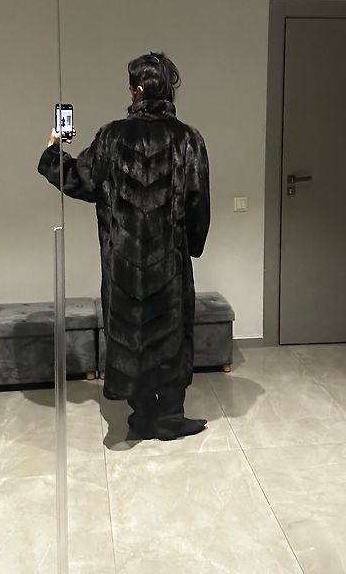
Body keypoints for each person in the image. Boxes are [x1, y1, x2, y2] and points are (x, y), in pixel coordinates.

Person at [38, 52, 211, 440]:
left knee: (132, 334)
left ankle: (142, 415)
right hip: (169, 264)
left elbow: (80, 181)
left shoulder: (112, 137)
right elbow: (198, 202)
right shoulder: (188, 139)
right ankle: (170, 417)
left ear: (138, 90)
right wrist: (190, 247)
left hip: (123, 263)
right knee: (170, 333)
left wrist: (53, 151)